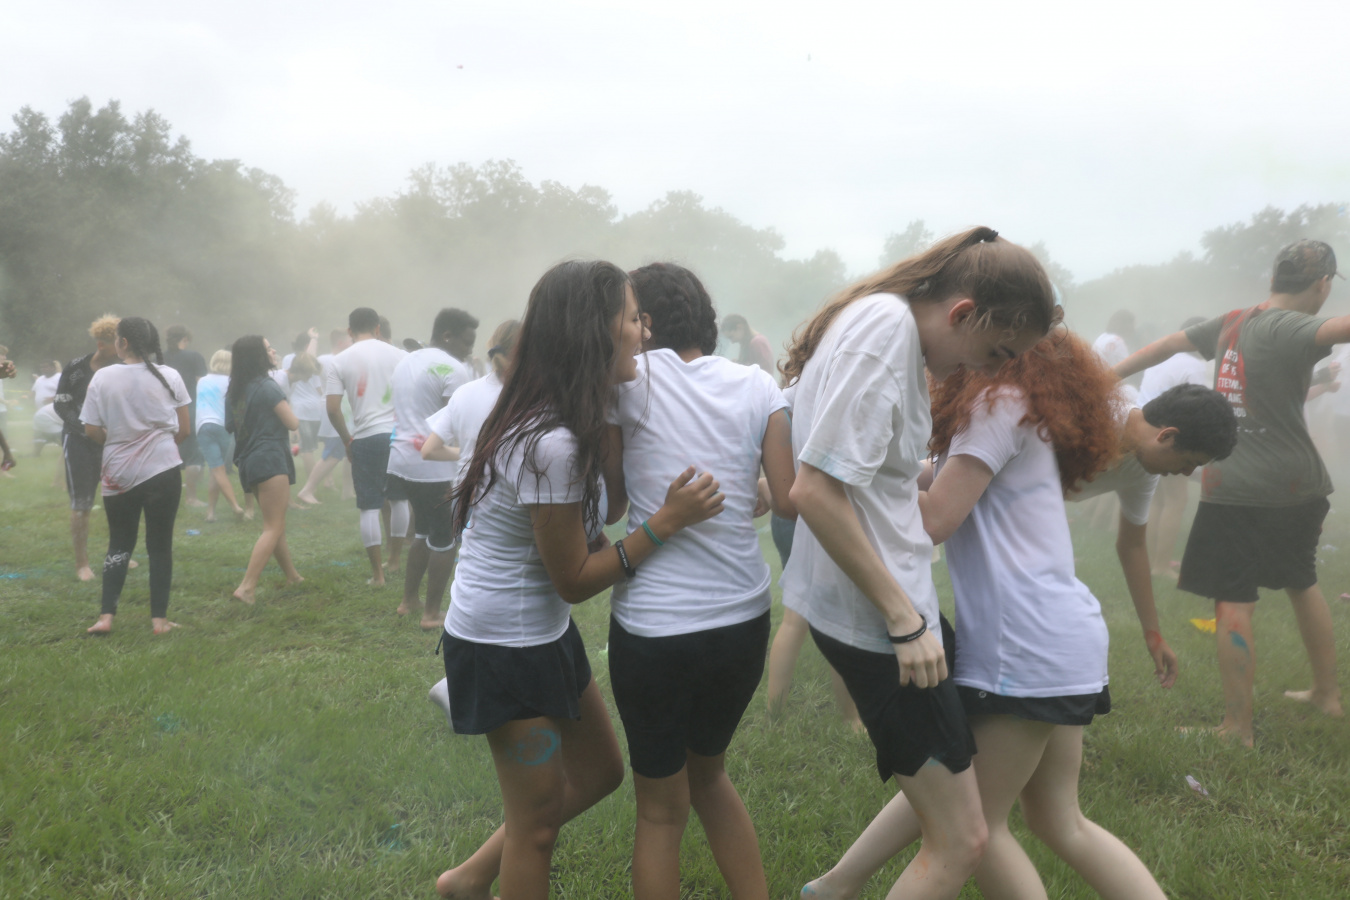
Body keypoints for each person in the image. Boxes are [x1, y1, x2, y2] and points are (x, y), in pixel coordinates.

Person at [803, 330, 1167, 900]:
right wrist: (840, 472)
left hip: (1023, 648)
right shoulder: (1019, 410)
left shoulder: (994, 407)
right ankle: (834, 886)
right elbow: (932, 480)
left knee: (975, 831)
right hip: (1060, 640)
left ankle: (834, 887)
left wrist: (845, 475)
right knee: (1052, 818)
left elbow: (933, 519)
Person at [432, 260, 723, 900]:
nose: (645, 332)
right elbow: (574, 578)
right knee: (535, 828)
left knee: (599, 773)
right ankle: (473, 881)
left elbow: (598, 518)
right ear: (596, 332)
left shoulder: (568, 420)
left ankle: (466, 880)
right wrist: (667, 523)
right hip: (503, 644)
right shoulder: (550, 442)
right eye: (633, 318)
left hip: (541, 635)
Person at [780, 227, 1055, 900]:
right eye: (995, 352)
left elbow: (857, 476)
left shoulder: (884, 324)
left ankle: (832, 890)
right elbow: (815, 491)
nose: (984, 372)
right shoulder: (885, 333)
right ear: (963, 313)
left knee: (963, 782)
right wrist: (904, 622)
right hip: (881, 623)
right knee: (962, 839)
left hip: (886, 610)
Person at [604, 263, 793, 900]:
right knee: (709, 775)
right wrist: (753, 482)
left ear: (644, 322)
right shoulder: (757, 384)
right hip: (741, 619)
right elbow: (784, 497)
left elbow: (612, 503)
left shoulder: (626, 383)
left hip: (654, 627)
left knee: (661, 810)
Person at [1113, 239, 1349, 745]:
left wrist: (1106, 376)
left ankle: (1237, 726)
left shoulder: (1234, 321)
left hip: (1237, 485)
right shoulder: (1297, 325)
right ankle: (1327, 695)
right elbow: (1338, 328)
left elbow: (1167, 344)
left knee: (1234, 600)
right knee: (1302, 581)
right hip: (1299, 480)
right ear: (1323, 284)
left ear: (1274, 277)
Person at [1066, 383, 1238, 687]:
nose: (1187, 473)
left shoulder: (1142, 469)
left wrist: (1153, 634)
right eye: (1190, 462)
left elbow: (1132, 545)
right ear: (1166, 436)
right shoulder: (1086, 417)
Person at [423, 318, 520, 720]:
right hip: (506, 503)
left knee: (472, 574)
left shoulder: (466, 393)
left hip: (467, 499)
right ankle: (458, 686)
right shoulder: (524, 397)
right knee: (505, 586)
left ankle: (456, 682)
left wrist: (467, 455)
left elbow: (429, 449)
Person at [81, 317, 190, 636]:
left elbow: (91, 429)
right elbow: (184, 430)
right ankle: (159, 621)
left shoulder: (103, 377)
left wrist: (119, 441)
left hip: (118, 472)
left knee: (119, 543)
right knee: (160, 546)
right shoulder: (170, 375)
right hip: (163, 470)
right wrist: (158, 448)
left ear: (123, 342)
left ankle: (105, 618)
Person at [384, 308, 477, 626]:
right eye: (466, 343)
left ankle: (409, 601)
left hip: (402, 460)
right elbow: (458, 422)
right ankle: (432, 613)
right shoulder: (454, 369)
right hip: (436, 466)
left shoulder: (407, 361)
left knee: (423, 531)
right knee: (446, 539)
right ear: (448, 336)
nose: (469, 351)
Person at [325, 308, 407, 585]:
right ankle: (394, 560)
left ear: (350, 331)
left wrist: (347, 439)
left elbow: (333, 408)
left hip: (366, 437)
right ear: (377, 328)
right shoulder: (400, 356)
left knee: (370, 506)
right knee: (399, 500)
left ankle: (377, 575)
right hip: (397, 435)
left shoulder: (339, 360)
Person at [227, 335, 303, 604]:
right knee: (273, 526)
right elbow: (292, 423)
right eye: (268, 348)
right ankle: (247, 587)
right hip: (269, 458)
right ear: (258, 356)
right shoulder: (268, 387)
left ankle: (292, 576)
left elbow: (230, 426)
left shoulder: (235, 390)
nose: (273, 351)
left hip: (248, 461)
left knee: (274, 522)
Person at [1137, 316, 1211, 575]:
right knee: (1177, 501)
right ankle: (1160, 565)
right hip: (1171, 441)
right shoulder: (1194, 366)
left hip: (1145, 434)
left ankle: (1150, 560)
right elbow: (1200, 411)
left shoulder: (1164, 358)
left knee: (1158, 501)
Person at [54, 315, 122, 581]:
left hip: (114, 442)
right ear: (101, 344)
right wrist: (87, 429)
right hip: (78, 441)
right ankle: (82, 564)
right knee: (82, 503)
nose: (122, 349)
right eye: (118, 344)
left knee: (119, 500)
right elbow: (61, 403)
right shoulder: (76, 368)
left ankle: (118, 553)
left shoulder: (122, 368)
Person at [296, 329, 353, 505]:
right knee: (333, 452)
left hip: (345, 412)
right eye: (350, 341)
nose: (353, 344)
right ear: (341, 343)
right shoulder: (328, 359)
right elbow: (308, 360)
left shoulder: (346, 358)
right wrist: (313, 339)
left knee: (349, 452)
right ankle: (307, 490)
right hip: (334, 410)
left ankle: (348, 491)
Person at [196, 350, 247, 522]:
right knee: (218, 469)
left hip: (203, 426)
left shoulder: (202, 380)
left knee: (216, 469)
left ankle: (212, 512)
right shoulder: (232, 382)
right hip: (223, 427)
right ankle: (233, 507)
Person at [164, 324, 208, 508]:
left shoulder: (158, 358)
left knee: (166, 453)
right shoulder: (194, 357)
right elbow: (202, 384)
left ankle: (166, 496)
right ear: (185, 339)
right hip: (189, 409)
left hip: (164, 411)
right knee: (193, 455)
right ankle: (191, 498)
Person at [31, 360, 61, 456]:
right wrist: (28, 399)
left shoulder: (60, 377)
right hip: (41, 412)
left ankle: (70, 449)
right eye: (42, 367)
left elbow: (68, 393)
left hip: (55, 411)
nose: (43, 369)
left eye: (46, 367)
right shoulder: (40, 379)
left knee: (57, 434)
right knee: (38, 432)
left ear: (53, 368)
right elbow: (34, 392)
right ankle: (35, 454)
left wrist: (54, 399)